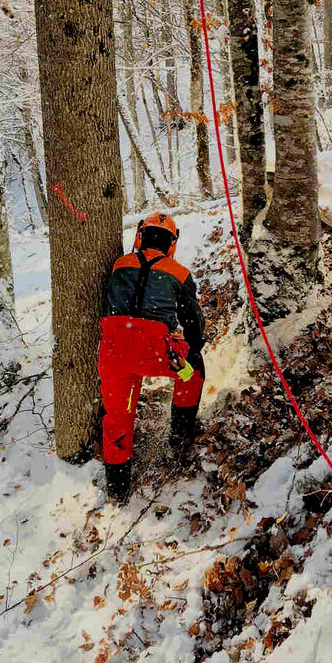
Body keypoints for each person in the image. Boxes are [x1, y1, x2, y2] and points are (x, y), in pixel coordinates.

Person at [97, 211, 206, 502]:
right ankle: (180, 438)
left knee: (118, 417)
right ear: (172, 244)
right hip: (157, 354)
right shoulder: (179, 272)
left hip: (113, 353)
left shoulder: (120, 264)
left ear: (140, 237)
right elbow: (193, 322)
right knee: (192, 371)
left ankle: (117, 489)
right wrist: (194, 345)